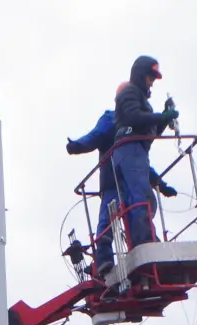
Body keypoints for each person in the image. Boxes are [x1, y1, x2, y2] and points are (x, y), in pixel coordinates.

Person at [69, 105, 177, 275]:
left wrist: (161, 185)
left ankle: (150, 247)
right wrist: (78, 145)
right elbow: (95, 136)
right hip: (113, 183)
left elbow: (141, 164)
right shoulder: (111, 120)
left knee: (139, 214)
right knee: (107, 220)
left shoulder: (134, 131)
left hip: (132, 183)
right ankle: (104, 259)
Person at [112, 56, 180, 248]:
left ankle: (142, 238)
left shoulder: (139, 99)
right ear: (141, 74)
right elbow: (135, 118)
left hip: (137, 151)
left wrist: (164, 120)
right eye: (150, 76)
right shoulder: (129, 93)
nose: (151, 81)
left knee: (145, 196)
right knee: (140, 195)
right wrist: (161, 116)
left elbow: (149, 131)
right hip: (129, 149)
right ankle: (145, 240)